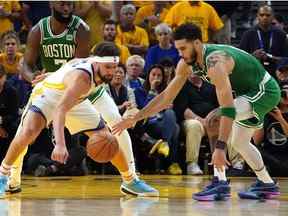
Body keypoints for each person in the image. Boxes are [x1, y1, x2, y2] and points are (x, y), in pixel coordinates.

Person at [112, 23, 281, 201]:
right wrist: (136, 118)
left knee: (215, 118)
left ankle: (220, 182)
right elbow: (166, 97)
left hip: (264, 90)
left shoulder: (215, 62)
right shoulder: (186, 63)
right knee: (240, 143)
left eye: (183, 48)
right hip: (245, 93)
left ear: (198, 43)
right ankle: (267, 184)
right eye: (178, 49)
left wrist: (221, 148)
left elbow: (228, 108)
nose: (180, 54)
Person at [8, 2, 151, 196]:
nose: (67, 7)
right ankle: (11, 179)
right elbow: (27, 64)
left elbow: (79, 67)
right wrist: (33, 77)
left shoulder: (81, 28)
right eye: (63, 3)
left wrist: (52, 74)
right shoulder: (38, 30)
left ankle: (131, 178)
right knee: (25, 133)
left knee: (115, 124)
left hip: (86, 88)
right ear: (52, 4)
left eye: (70, 4)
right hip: (55, 89)